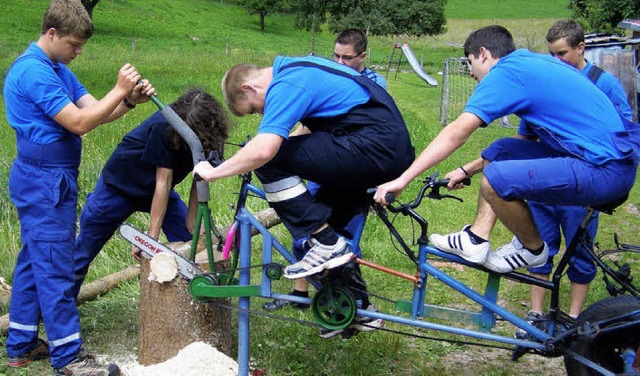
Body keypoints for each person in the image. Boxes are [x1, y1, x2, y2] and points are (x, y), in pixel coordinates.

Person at [374, 25, 638, 279]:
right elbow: (518, 142)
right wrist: (467, 169)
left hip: (604, 168)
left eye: (469, 62)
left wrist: (402, 180)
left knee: (498, 178)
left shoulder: (506, 72)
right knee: (500, 151)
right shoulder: (527, 63)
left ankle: (533, 249)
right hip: (606, 160)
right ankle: (476, 238)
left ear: (484, 54)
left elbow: (458, 131)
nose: (470, 72)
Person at [193, 54, 414, 334]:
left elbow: (264, 150)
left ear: (249, 88)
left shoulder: (288, 83)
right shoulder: (299, 70)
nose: (260, 114)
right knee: (332, 230)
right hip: (377, 148)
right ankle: (357, 309)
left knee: (270, 161)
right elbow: (304, 135)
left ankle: (324, 241)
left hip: (373, 147)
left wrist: (213, 172)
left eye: (253, 110)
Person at [3, 0, 155, 375]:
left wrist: (127, 99)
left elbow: (96, 111)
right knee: (55, 264)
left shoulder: (56, 68)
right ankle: (69, 358)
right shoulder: (34, 73)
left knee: (33, 260)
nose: (78, 51)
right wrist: (117, 88)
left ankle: (20, 343)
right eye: (73, 44)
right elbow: (80, 122)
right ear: (51, 34)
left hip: (51, 176)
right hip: (44, 179)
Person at [513, 19, 633, 326]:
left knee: (579, 249)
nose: (557, 61)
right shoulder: (546, 83)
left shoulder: (605, 84)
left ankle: (576, 319)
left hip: (582, 182)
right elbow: (525, 134)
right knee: (539, 245)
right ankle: (536, 314)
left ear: (582, 48)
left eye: (562, 53)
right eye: (551, 54)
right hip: (544, 179)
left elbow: (625, 135)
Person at [262, 28, 386, 314]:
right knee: (305, 232)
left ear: (363, 57)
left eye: (347, 58)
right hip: (324, 170)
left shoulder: (373, 84)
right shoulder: (328, 76)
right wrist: (278, 149)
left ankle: (355, 303)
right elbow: (309, 123)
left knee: (341, 241)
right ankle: (301, 293)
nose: (340, 63)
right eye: (336, 56)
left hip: (350, 175)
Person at [73, 89, 232, 299]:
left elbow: (200, 178)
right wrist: (151, 239)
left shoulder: (211, 136)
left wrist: (192, 222)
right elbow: (162, 183)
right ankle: (60, 303)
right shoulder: (163, 127)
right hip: (118, 187)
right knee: (83, 250)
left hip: (158, 190)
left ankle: (190, 301)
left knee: (189, 244)